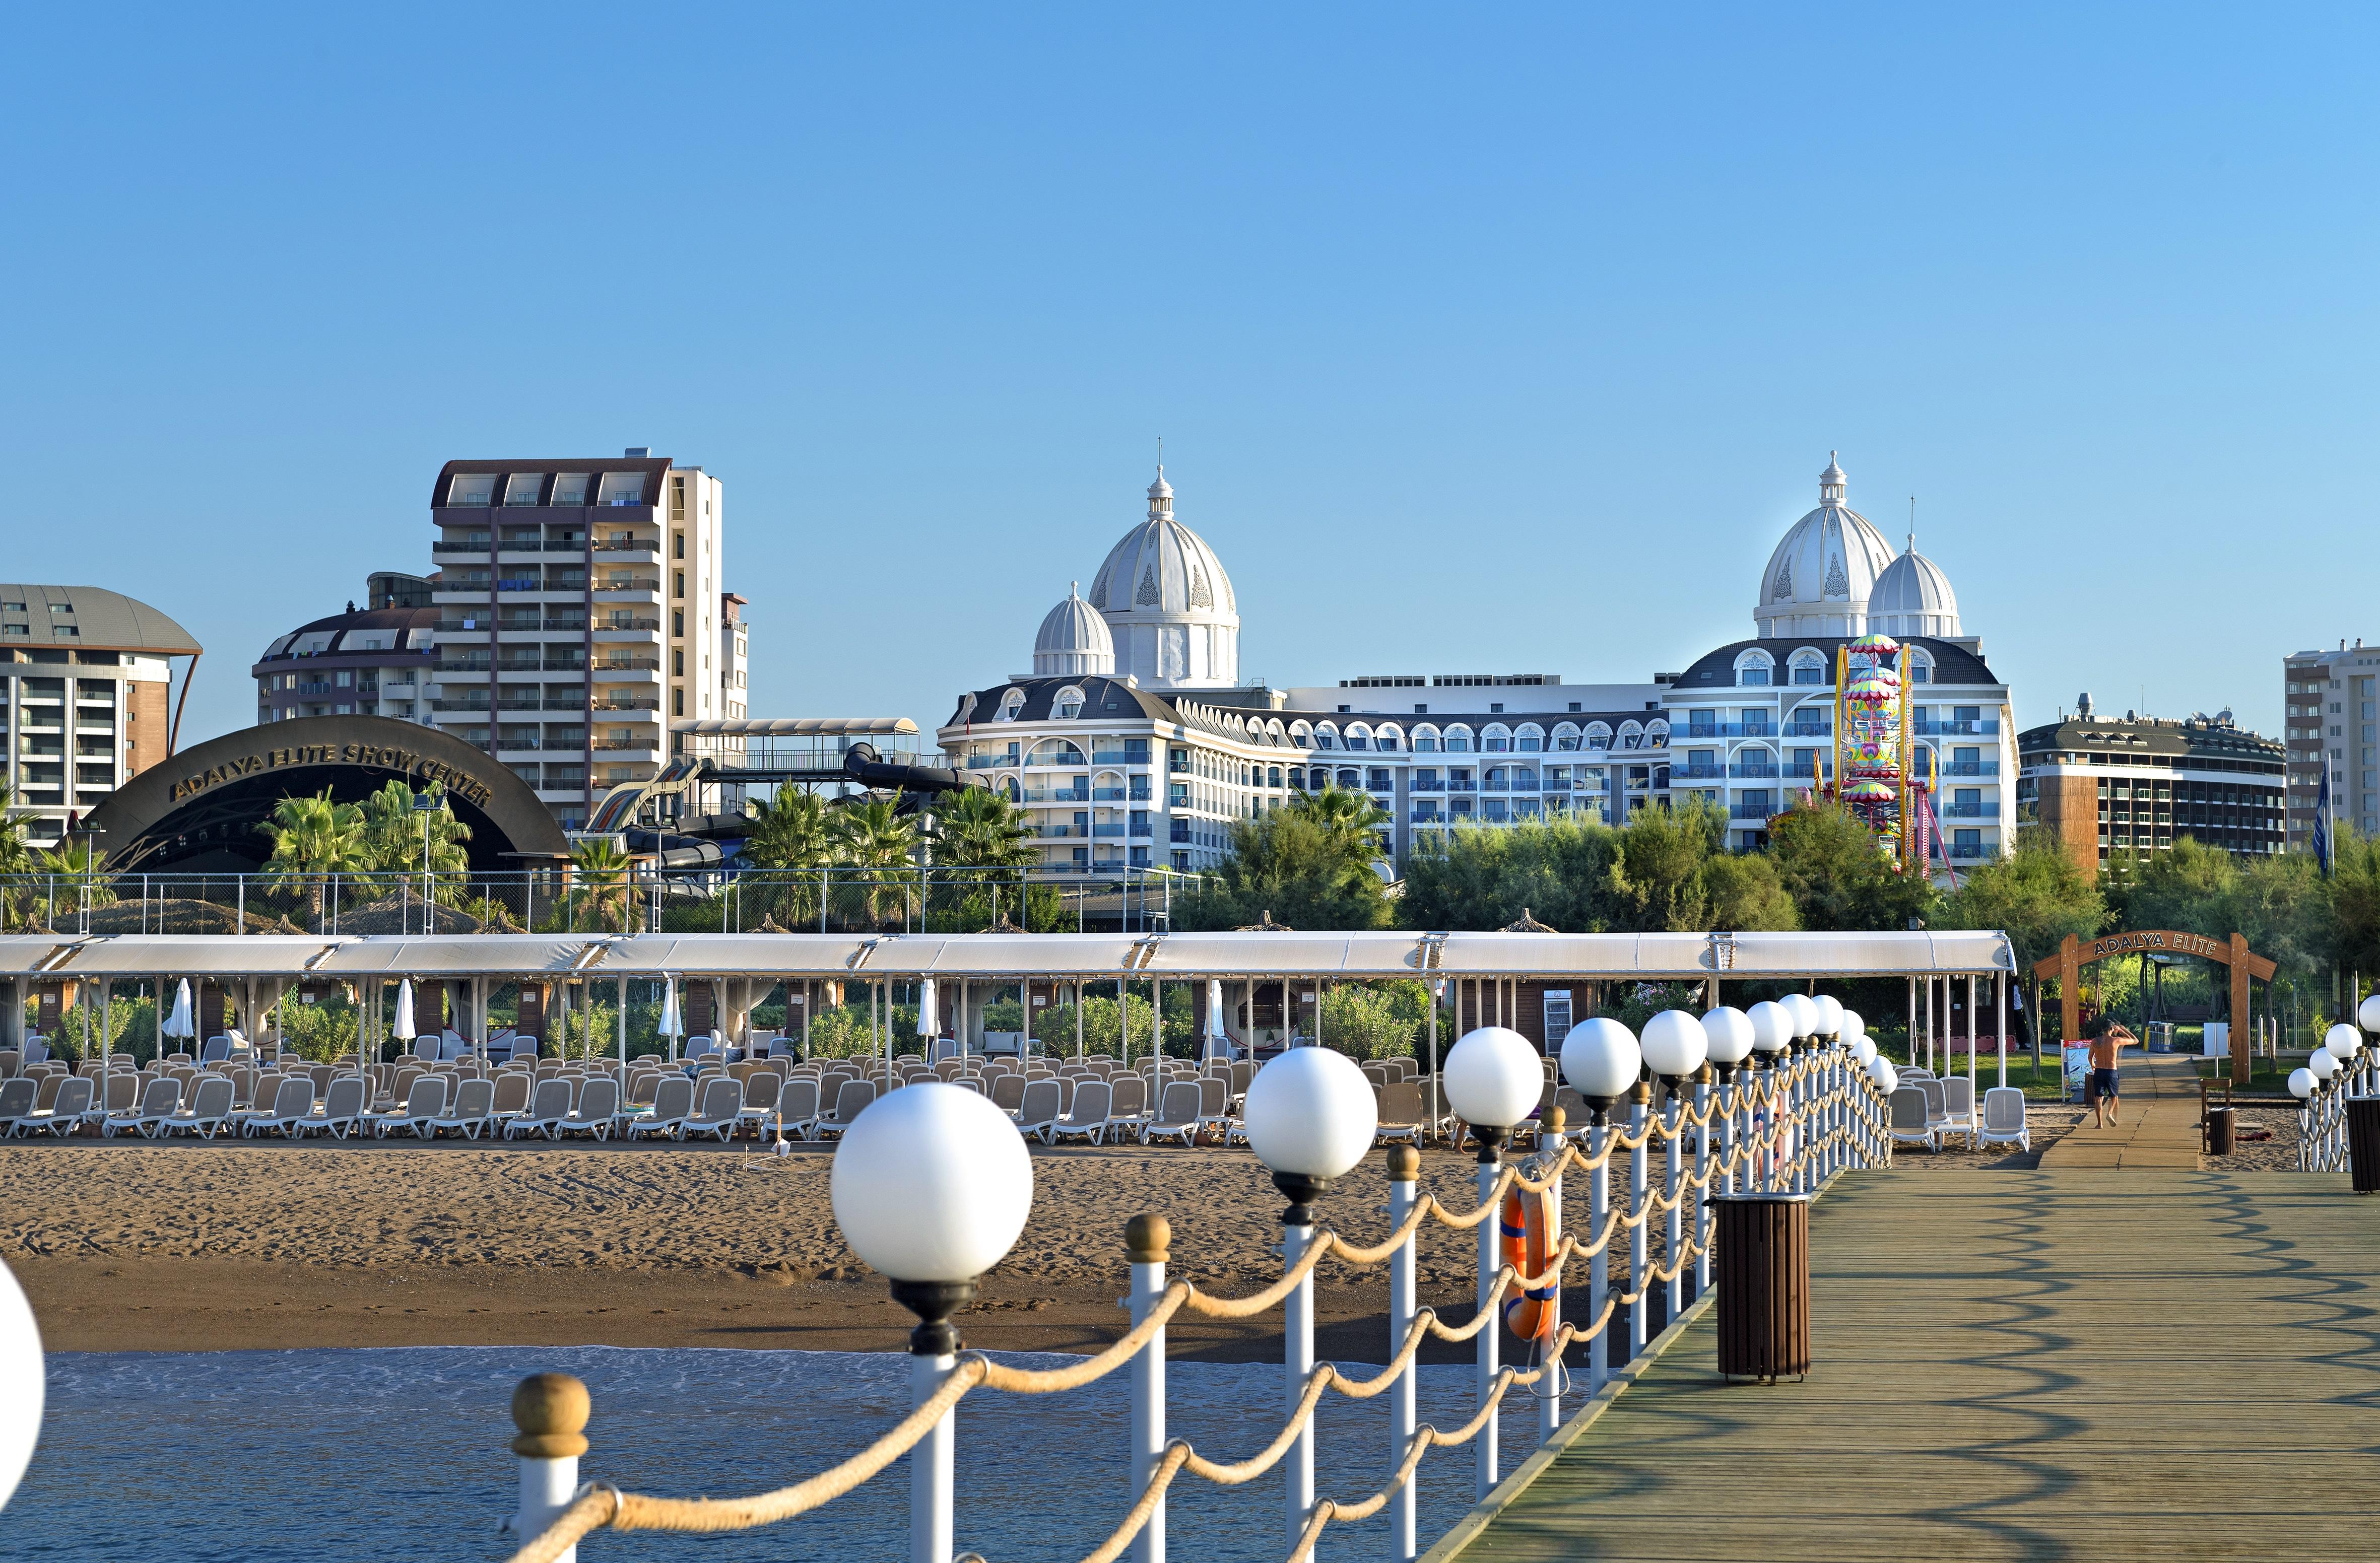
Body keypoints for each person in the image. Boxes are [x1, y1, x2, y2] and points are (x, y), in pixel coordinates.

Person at [2086, 1015, 2136, 1128]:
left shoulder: (2095, 1041)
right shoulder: (2116, 1040)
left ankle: (2100, 1124)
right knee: (2114, 1097)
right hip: (2111, 1072)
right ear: (2111, 1029)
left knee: (2099, 1098)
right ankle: (2109, 1113)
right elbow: (2135, 1041)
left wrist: (2093, 1065)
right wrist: (2123, 1030)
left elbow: (2090, 1057)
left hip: (2099, 1071)